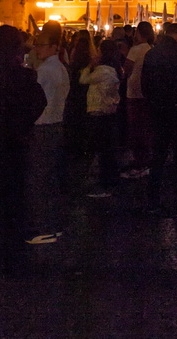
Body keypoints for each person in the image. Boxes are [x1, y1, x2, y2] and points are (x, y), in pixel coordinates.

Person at [0, 25, 47, 274]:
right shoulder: (24, 76)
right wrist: (19, 125)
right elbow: (39, 103)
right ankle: (14, 254)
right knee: (14, 198)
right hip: (14, 144)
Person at [141, 23, 177, 216]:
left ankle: (153, 201)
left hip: (159, 112)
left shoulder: (152, 54)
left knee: (158, 157)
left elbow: (145, 85)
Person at [24, 21, 70, 244]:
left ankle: (45, 228)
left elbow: (33, 100)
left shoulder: (46, 71)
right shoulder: (59, 68)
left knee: (39, 179)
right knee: (49, 179)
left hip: (44, 127)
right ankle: (54, 225)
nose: (36, 48)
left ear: (53, 46)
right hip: (56, 124)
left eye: (40, 45)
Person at [79, 38, 120, 197]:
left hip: (99, 112)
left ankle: (104, 185)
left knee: (103, 149)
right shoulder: (113, 69)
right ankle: (110, 180)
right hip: (108, 111)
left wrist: (90, 65)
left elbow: (83, 79)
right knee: (107, 149)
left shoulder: (102, 70)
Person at [122, 21, 154, 178]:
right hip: (146, 91)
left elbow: (126, 70)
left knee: (135, 128)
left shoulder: (135, 50)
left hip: (134, 91)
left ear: (139, 33)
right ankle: (145, 160)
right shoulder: (150, 49)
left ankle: (139, 163)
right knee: (145, 127)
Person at [64, 30, 96, 160]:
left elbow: (72, 67)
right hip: (86, 88)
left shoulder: (76, 52)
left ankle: (74, 146)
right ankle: (84, 145)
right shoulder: (92, 54)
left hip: (76, 87)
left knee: (75, 116)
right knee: (84, 116)